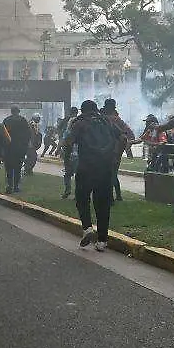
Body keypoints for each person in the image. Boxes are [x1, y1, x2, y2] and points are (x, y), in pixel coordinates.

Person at [61, 100, 123, 251]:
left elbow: (67, 142)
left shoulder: (79, 122)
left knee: (82, 198)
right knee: (103, 204)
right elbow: (123, 138)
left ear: (82, 110)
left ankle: (87, 228)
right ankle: (102, 241)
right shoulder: (107, 121)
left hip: (86, 167)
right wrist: (115, 157)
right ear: (96, 109)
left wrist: (67, 160)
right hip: (106, 168)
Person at [102, 99, 136, 201]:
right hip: (115, 152)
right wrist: (123, 149)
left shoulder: (105, 119)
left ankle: (111, 197)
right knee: (113, 174)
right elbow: (130, 136)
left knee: (108, 175)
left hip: (107, 151)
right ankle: (118, 195)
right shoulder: (119, 120)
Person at [2, 106, 31, 194]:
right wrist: (26, 147)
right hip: (20, 148)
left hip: (8, 148)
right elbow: (28, 134)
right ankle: (16, 186)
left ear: (11, 111)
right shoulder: (23, 120)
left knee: (9, 168)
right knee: (18, 167)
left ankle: (10, 186)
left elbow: (2, 134)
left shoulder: (6, 120)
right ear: (18, 111)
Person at [60, 107, 80, 197]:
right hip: (79, 155)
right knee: (78, 175)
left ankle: (67, 190)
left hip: (69, 154)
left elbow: (63, 140)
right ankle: (77, 193)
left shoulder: (68, 131)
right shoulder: (81, 127)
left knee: (67, 174)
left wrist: (58, 149)